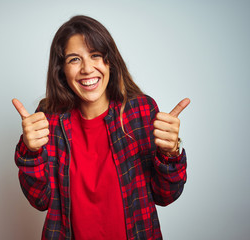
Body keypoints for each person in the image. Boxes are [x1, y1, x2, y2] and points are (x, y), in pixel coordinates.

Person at [13, 15, 190, 240]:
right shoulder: (49, 118)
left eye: (95, 55)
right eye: (74, 59)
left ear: (110, 61)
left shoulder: (141, 111)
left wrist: (171, 152)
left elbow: (166, 195)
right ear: (61, 70)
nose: (87, 68)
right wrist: (31, 153)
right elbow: (40, 200)